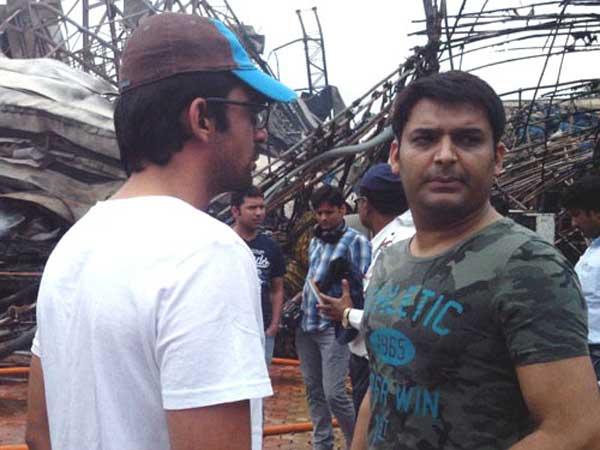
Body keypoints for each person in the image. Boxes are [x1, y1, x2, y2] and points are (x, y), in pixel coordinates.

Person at [25, 13, 296, 450]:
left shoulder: (73, 247)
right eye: (252, 112)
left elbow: (39, 436)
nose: (261, 133)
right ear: (202, 118)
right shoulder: (206, 254)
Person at [351, 71, 600, 450]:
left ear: (497, 158)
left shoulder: (527, 265)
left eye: (468, 139)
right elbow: (383, 387)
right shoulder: (390, 260)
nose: (445, 155)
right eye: (425, 138)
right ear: (396, 156)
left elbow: (577, 430)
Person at [317, 163, 415, 413]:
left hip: (379, 364)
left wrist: (346, 314)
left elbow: (391, 317)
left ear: (365, 204)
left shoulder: (395, 248)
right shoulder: (403, 238)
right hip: (378, 361)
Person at [296, 185, 372, 450]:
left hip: (334, 327)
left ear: (342, 210)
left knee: (334, 393)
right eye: (319, 213)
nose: (323, 218)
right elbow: (312, 277)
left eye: (329, 212)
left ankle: (357, 443)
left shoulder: (356, 242)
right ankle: (322, 444)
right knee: (314, 391)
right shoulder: (315, 240)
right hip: (307, 323)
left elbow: (363, 286)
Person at [232, 185, 286, 364]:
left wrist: (274, 325)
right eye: (252, 208)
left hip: (262, 329)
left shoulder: (270, 247)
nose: (258, 213)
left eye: (261, 207)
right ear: (235, 211)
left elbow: (277, 289)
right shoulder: (224, 243)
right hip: (231, 329)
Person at [562, 174, 600, 380]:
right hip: (584, 346)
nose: (574, 223)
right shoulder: (593, 249)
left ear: (596, 213)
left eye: (577, 215)